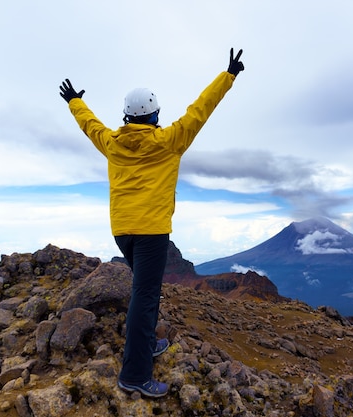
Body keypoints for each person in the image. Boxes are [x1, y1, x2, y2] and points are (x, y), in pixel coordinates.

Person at [58, 48, 245, 398]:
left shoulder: (113, 143)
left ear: (127, 117)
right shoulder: (170, 141)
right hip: (152, 233)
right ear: (156, 114)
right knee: (144, 299)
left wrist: (74, 103)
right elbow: (200, 110)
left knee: (147, 293)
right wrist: (228, 75)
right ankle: (135, 375)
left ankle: (147, 346)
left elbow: (90, 125)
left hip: (122, 233)